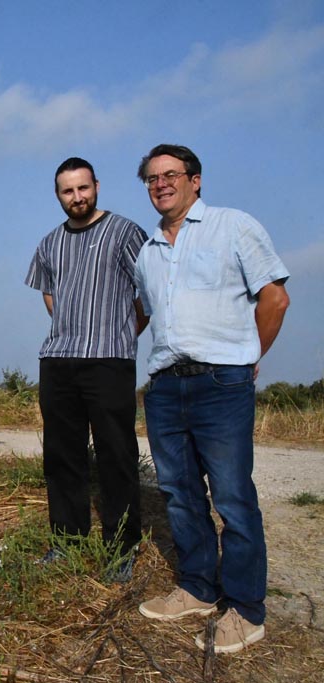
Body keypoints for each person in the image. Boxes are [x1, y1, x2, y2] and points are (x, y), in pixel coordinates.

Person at [134, 144, 290, 654]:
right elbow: (144, 314)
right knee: (179, 493)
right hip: (164, 386)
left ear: (195, 180)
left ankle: (246, 609)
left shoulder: (233, 226)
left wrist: (248, 356)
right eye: (152, 178)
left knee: (232, 496)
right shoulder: (147, 251)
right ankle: (198, 588)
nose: (161, 184)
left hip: (221, 384)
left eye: (170, 174)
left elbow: (275, 298)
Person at [25, 157, 147, 581]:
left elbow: (148, 295)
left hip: (110, 359)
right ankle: (66, 542)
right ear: (58, 195)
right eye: (68, 191)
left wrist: (120, 335)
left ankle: (121, 548)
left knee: (116, 455)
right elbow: (50, 295)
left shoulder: (126, 232)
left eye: (83, 188)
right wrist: (71, 330)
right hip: (58, 360)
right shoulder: (49, 243)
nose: (77, 197)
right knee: (62, 457)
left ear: (96, 185)